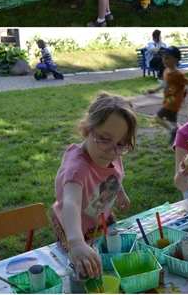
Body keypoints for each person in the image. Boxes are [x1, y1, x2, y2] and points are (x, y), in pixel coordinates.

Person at [52, 93, 137, 280]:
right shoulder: (77, 168)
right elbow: (71, 202)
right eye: (105, 140)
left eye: (121, 144)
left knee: (108, 258)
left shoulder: (112, 150)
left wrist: (120, 193)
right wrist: (76, 244)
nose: (112, 152)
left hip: (101, 214)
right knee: (85, 270)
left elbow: (112, 176)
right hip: (76, 225)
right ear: (86, 129)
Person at [147, 46, 188, 145]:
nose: (164, 60)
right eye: (163, 57)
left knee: (157, 117)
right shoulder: (166, 70)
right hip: (168, 102)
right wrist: (154, 90)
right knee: (174, 123)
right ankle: (187, 137)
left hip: (173, 103)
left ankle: (172, 131)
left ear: (175, 60)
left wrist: (187, 96)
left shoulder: (178, 74)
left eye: (167, 58)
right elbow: (164, 83)